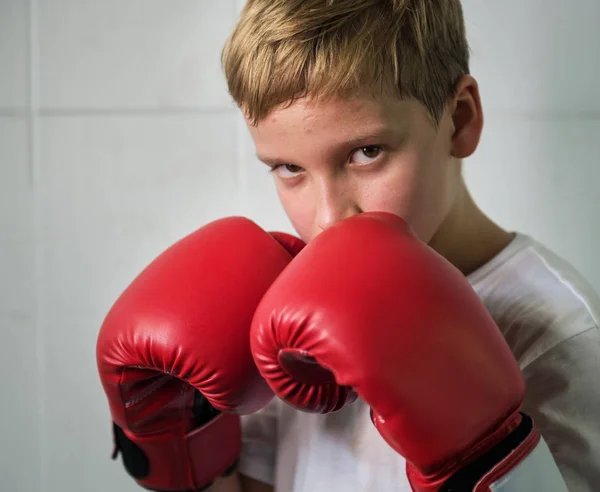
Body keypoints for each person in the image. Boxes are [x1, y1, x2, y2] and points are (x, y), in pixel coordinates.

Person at [96, 1, 600, 492]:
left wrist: (485, 461)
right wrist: (187, 452)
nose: (329, 217)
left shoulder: (557, 333)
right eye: (289, 168)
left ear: (461, 119)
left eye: (366, 152)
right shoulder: (284, 318)